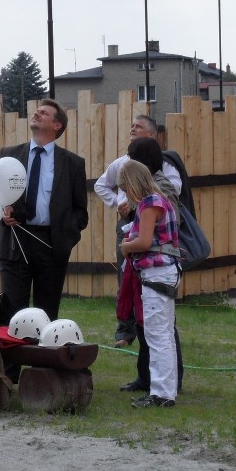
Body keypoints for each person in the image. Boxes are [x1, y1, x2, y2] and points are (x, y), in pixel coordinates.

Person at [0, 100, 89, 321]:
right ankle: (14, 355)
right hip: (15, 239)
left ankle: (44, 354)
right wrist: (2, 212)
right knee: (13, 312)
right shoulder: (9, 155)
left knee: (46, 312)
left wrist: (66, 238)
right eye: (36, 112)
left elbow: (80, 211)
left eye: (43, 113)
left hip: (51, 244)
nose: (36, 114)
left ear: (57, 125)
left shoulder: (73, 163)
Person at [94, 114, 182, 347]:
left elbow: (169, 196)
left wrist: (137, 204)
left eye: (139, 126)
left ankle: (150, 337)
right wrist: (116, 202)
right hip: (127, 225)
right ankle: (126, 330)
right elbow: (101, 185)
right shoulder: (122, 162)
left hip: (154, 237)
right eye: (131, 125)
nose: (132, 128)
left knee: (151, 297)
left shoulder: (164, 170)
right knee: (126, 280)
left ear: (151, 136)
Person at [118, 138, 184, 393]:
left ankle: (161, 393)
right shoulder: (160, 199)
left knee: (157, 337)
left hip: (156, 274)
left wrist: (126, 247)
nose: (126, 195)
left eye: (126, 189)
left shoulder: (148, 204)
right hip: (164, 273)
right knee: (164, 335)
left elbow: (144, 242)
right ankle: (166, 390)